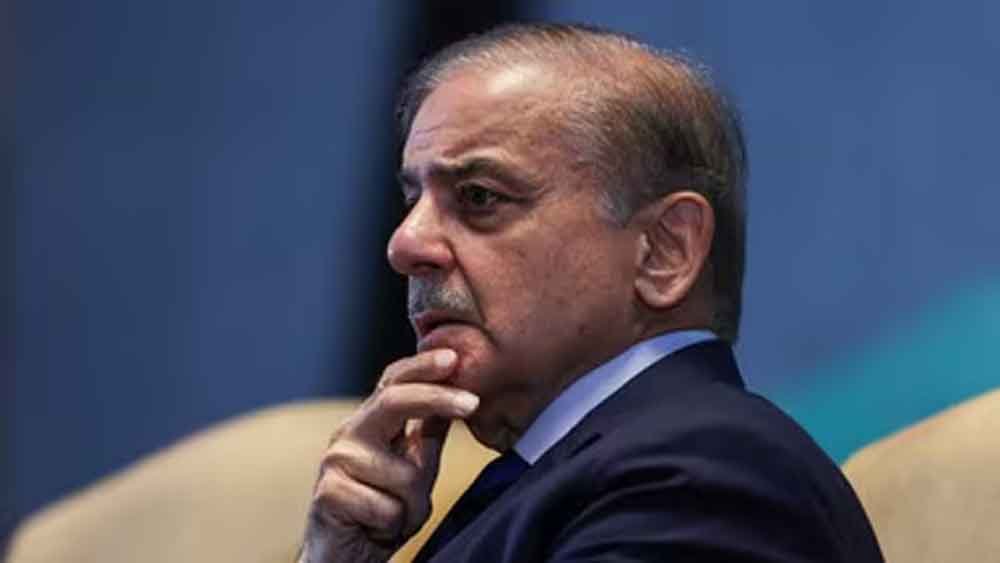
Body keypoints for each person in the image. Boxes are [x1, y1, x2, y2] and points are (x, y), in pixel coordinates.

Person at [298, 23, 884, 562]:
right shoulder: (583, 473)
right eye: (411, 201)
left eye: (479, 197)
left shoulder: (702, 476)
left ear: (664, 251)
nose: (404, 245)